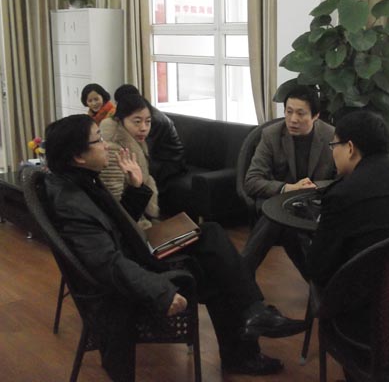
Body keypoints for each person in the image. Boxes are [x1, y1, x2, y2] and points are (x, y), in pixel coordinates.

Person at [43, 114, 306, 381]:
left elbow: (114, 228)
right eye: (98, 139)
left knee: (212, 238)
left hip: (134, 254)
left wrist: (136, 188)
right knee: (218, 270)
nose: (106, 145)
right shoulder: (73, 204)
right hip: (127, 284)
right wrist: (160, 291)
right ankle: (250, 327)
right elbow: (107, 263)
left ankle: (253, 318)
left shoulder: (81, 181)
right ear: (78, 156)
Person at [306, 110, 389, 287]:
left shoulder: (342, 194)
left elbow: (318, 267)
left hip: (367, 298)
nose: (333, 153)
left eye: (334, 145)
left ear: (350, 148)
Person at [241, 85, 336, 277]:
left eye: (301, 113)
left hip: (314, 202)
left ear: (316, 116)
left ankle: (239, 276)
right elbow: (251, 180)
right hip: (275, 200)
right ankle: (318, 282)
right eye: (289, 111)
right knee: (278, 216)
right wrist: (289, 188)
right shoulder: (271, 135)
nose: (293, 119)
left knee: (282, 223)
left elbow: (342, 178)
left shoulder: (331, 136)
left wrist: (313, 188)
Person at [108, 84, 186, 194]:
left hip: (169, 161)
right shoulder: (130, 117)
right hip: (157, 156)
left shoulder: (154, 120)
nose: (143, 127)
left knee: (135, 170)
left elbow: (145, 151)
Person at [99, 94, 159, 229]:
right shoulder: (113, 150)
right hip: (131, 226)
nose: (144, 128)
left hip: (139, 215)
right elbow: (114, 203)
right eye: (137, 121)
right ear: (120, 120)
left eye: (148, 121)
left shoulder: (135, 141)